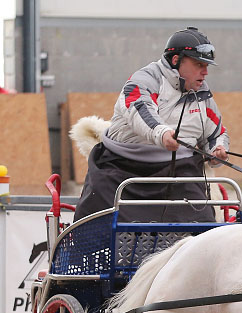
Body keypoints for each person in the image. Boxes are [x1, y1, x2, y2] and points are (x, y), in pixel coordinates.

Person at [73, 26, 229, 223]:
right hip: (121, 168)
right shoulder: (145, 79)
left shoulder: (204, 95)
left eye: (206, 66)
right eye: (199, 64)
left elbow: (216, 133)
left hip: (180, 173)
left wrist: (217, 150)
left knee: (202, 224)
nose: (205, 72)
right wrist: (162, 134)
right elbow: (140, 108)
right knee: (96, 223)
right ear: (176, 60)